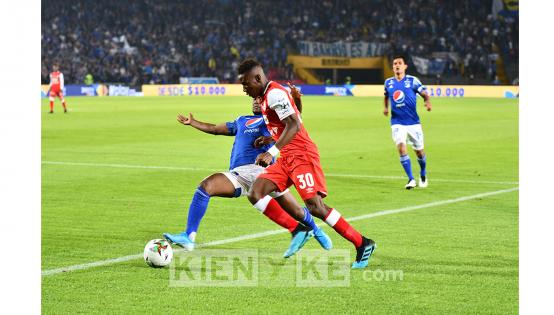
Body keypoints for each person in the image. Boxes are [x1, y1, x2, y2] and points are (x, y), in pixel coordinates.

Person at [163, 83, 332, 258]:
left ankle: (309, 230)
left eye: (260, 99)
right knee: (206, 187)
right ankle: (189, 237)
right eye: (254, 99)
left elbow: (294, 121)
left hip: (260, 171)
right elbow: (214, 129)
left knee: (296, 211)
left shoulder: (270, 120)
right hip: (246, 174)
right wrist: (193, 123)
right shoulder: (241, 120)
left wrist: (295, 101)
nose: (256, 102)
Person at [238, 58, 376, 269]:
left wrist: (271, 151)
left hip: (302, 155)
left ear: (257, 78)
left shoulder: (274, 94)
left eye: (246, 84)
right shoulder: (266, 96)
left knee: (315, 207)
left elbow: (293, 125)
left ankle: (362, 243)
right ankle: (298, 230)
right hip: (286, 157)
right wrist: (269, 140)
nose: (245, 89)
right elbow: (292, 119)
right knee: (255, 192)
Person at [383, 55, 432, 189]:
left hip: (413, 122)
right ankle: (411, 179)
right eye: (394, 63)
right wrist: (385, 108)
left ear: (405, 66)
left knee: (419, 152)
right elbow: (386, 95)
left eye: (399, 63)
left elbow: (424, 93)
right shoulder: (388, 82)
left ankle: (422, 173)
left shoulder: (413, 80)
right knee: (401, 146)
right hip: (397, 121)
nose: (397, 65)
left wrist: (427, 102)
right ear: (393, 67)